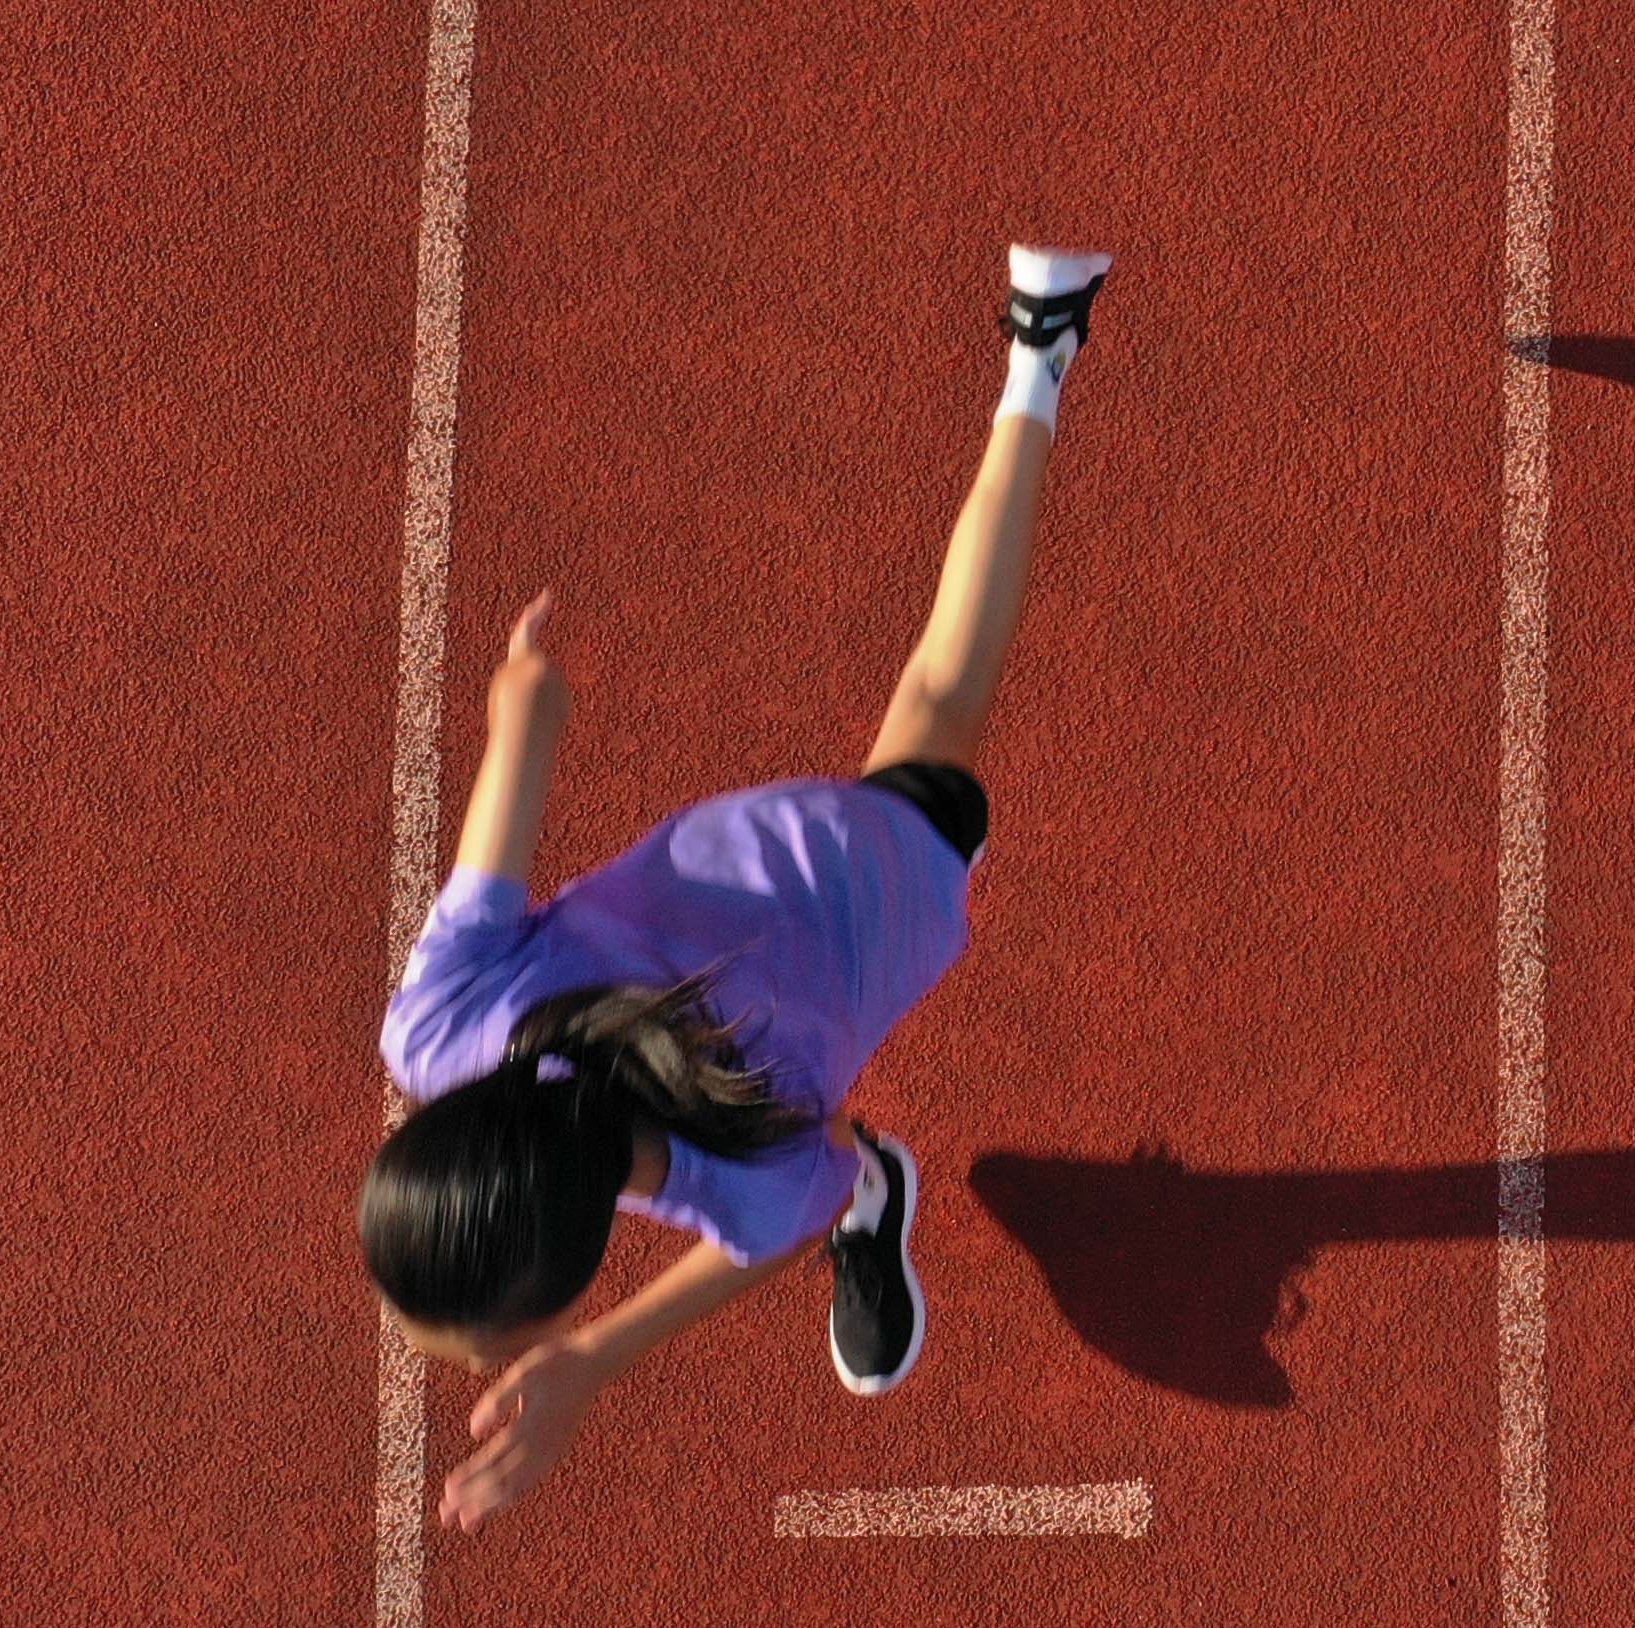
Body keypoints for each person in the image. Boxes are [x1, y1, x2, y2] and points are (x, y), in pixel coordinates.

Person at [366, 244, 1110, 1529]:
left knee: (945, 692)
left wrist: (597, 1361)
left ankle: (1042, 349)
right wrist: (522, 707)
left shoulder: (756, 1179)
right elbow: (517, 768)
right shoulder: (430, 1027)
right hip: (743, 847)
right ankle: (1038, 343)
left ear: (596, 1246)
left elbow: (757, 1235)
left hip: (882, 886)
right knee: (927, 708)